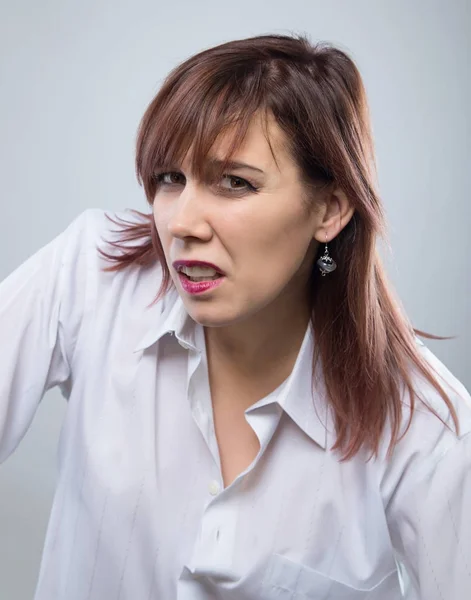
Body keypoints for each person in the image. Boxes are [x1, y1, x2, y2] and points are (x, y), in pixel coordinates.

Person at [0, 33, 469, 600]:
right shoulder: (92, 274)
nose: (182, 223)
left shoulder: (424, 422)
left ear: (331, 210)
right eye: (171, 178)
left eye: (235, 182)